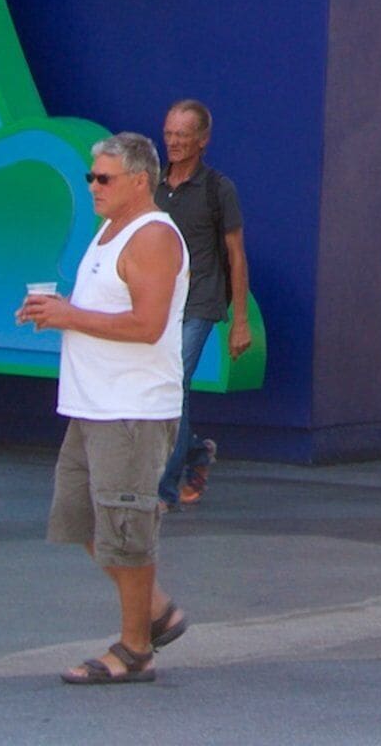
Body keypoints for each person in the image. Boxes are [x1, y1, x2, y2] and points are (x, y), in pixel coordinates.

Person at [19, 132, 192, 685]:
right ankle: (158, 610)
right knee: (84, 521)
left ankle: (136, 647)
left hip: (131, 411)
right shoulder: (110, 232)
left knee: (125, 526)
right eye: (91, 176)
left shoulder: (153, 237)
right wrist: (55, 312)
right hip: (91, 407)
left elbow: (148, 325)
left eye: (103, 178)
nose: (92, 185)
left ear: (140, 182)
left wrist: (68, 316)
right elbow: (100, 310)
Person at [153, 99, 253, 507]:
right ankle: (195, 451)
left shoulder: (218, 189)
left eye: (183, 135)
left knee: (173, 384)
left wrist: (240, 320)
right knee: (168, 388)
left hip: (201, 300)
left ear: (203, 140)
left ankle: (163, 489)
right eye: (169, 134)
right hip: (158, 302)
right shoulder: (153, 183)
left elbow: (236, 255)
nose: (174, 142)